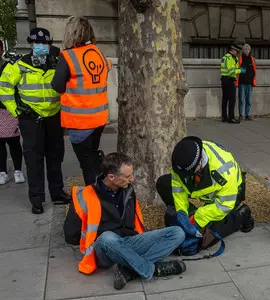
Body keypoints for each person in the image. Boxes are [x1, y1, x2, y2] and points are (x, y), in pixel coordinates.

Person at [63, 152, 187, 290]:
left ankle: (128, 270)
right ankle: (152, 269)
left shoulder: (128, 190)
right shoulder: (86, 195)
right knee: (107, 237)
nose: (132, 179)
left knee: (178, 232)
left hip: (129, 241)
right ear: (111, 177)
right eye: (127, 176)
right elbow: (71, 236)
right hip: (103, 250)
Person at [0, 28, 71, 214]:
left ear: (50, 44)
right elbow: (5, 88)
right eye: (37, 43)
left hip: (54, 117)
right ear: (31, 44)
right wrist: (16, 111)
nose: (41, 46)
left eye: (45, 43)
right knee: (34, 160)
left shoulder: (57, 62)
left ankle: (57, 194)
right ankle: (37, 200)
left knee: (55, 157)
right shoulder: (19, 64)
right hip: (30, 119)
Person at [156, 136, 255, 255]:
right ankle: (191, 219)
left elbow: (224, 205)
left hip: (228, 197)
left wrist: (198, 219)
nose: (183, 176)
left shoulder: (225, 169)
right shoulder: (184, 157)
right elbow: (178, 187)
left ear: (199, 164)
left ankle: (242, 215)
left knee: (205, 240)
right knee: (164, 183)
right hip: (202, 191)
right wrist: (182, 212)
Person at [52, 16, 111, 186]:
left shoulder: (68, 56)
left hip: (80, 121)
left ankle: (95, 198)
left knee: (86, 165)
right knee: (91, 158)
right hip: (99, 118)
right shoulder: (98, 53)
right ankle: (103, 186)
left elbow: (57, 86)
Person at [0, 41, 25, 185]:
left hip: (8, 108)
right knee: (0, 143)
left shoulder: (9, 67)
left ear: (2, 49)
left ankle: (17, 170)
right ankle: (2, 171)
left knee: (14, 141)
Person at [221, 43, 245, 124]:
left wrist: (238, 69)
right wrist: (240, 71)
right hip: (229, 80)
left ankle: (224, 117)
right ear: (233, 50)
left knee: (225, 99)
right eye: (237, 51)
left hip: (225, 80)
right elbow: (231, 71)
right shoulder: (229, 58)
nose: (237, 53)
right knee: (232, 99)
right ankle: (231, 118)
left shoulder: (228, 57)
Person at [237, 44, 256, 121]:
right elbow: (237, 69)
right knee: (241, 100)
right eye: (245, 49)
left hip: (250, 83)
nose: (247, 51)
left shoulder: (252, 59)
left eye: (248, 49)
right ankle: (241, 115)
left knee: (248, 100)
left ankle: (247, 114)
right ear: (243, 50)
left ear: (250, 50)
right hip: (241, 82)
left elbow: (254, 70)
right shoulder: (240, 59)